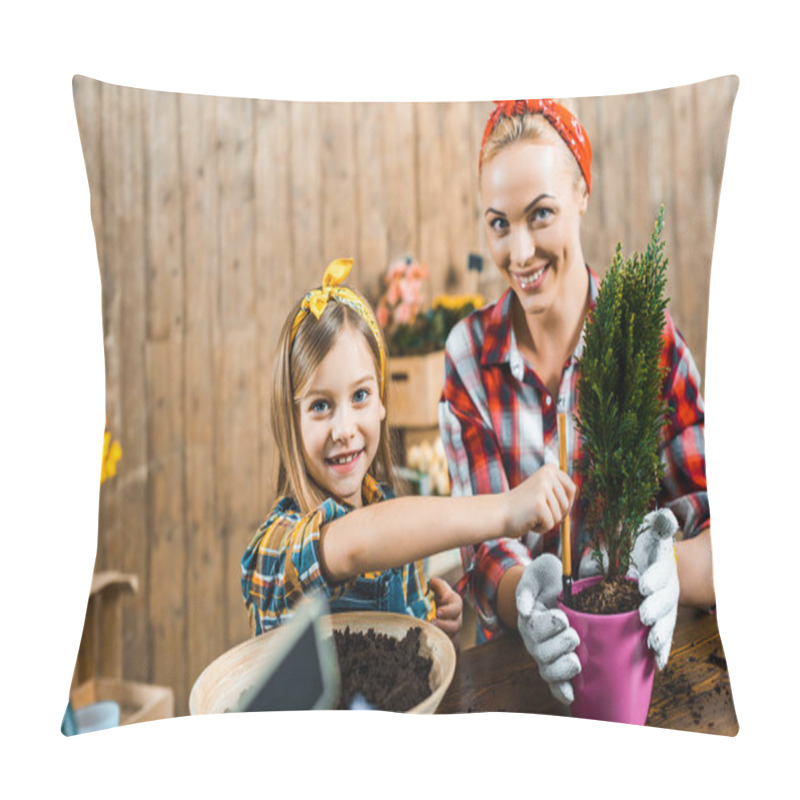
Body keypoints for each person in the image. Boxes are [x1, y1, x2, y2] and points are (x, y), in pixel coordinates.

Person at [439, 99, 714, 701]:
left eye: (541, 215)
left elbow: (722, 527)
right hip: (516, 679)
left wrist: (672, 571)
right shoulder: (467, 358)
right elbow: (487, 555)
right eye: (499, 223)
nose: (518, 253)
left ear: (582, 194)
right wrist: (528, 604)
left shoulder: (649, 340)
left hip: (639, 667)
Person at [241, 256, 576, 650]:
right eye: (320, 405)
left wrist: (427, 624)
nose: (344, 429)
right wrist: (505, 510)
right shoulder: (275, 549)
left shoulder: (394, 518)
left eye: (361, 396)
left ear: (382, 402)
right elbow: (354, 544)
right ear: (289, 418)